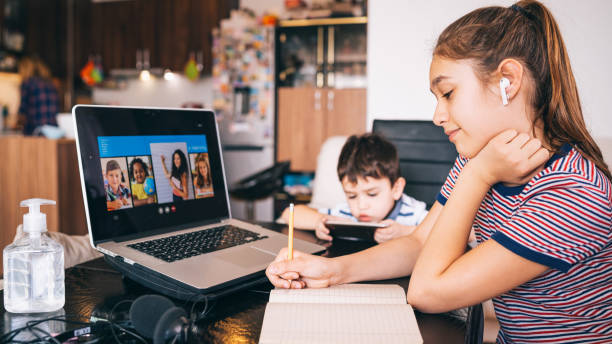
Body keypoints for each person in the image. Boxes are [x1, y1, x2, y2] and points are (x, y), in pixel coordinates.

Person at [266, 1, 612, 342]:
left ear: (508, 80)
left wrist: (477, 176)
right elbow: (420, 242)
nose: (437, 115)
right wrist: (332, 271)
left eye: (448, 93)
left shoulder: (574, 191)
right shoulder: (480, 156)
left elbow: (427, 291)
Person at [280, 133, 428, 243]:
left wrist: (407, 233)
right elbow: (289, 214)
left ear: (396, 189)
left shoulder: (413, 213)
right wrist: (319, 221)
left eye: (372, 194)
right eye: (352, 196)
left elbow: (447, 236)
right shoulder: (346, 214)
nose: (361, 205)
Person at [17, 56, 59, 135]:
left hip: (36, 129)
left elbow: (23, 109)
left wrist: (17, 122)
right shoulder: (50, 84)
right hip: (53, 130)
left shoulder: (27, 83)